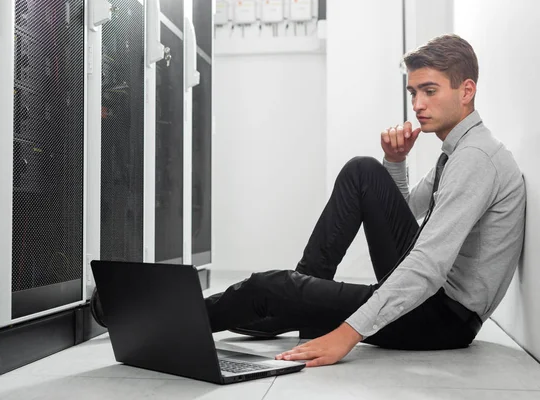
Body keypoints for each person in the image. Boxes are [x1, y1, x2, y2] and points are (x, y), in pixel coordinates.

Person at [204, 34, 526, 368]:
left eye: (429, 91)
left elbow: (429, 264)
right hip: (431, 301)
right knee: (363, 170)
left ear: (466, 91)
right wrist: (395, 161)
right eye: (413, 92)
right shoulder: (461, 150)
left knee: (266, 287)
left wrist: (347, 334)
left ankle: (175, 321)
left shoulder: (475, 158)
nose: (417, 104)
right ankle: (297, 300)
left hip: (442, 318)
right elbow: (408, 213)